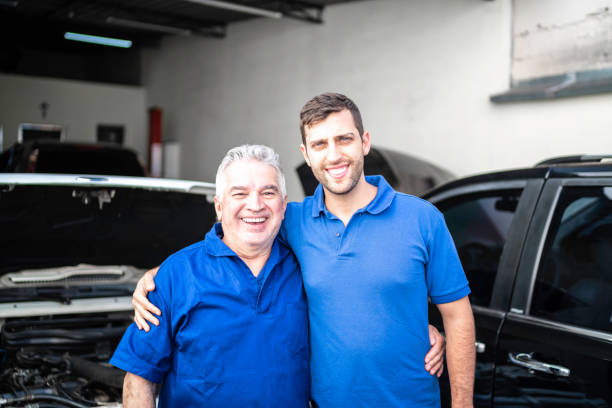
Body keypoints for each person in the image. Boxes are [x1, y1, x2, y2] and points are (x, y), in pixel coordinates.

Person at [134, 93, 474, 407]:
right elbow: (233, 237)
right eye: (320, 144)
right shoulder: (292, 221)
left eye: (344, 139)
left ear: (365, 142)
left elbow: (458, 316)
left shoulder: (423, 219)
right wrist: (157, 277)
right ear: (306, 154)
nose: (334, 155)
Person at [110, 145, 309, 407]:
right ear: (219, 206)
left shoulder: (306, 269)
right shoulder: (176, 275)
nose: (255, 205)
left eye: (268, 192)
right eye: (240, 193)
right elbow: (139, 377)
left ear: (283, 206)